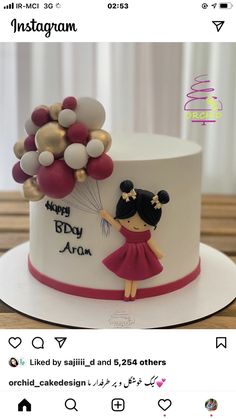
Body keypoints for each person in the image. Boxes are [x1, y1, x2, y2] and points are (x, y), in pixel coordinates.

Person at [100, 180, 170, 301]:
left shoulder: (146, 234)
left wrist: (158, 253)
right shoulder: (129, 233)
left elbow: (150, 243)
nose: (137, 226)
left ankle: (132, 295)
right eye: (128, 220)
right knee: (128, 276)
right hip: (129, 255)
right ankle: (127, 295)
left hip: (141, 257)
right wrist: (106, 216)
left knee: (135, 278)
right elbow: (116, 225)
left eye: (144, 223)